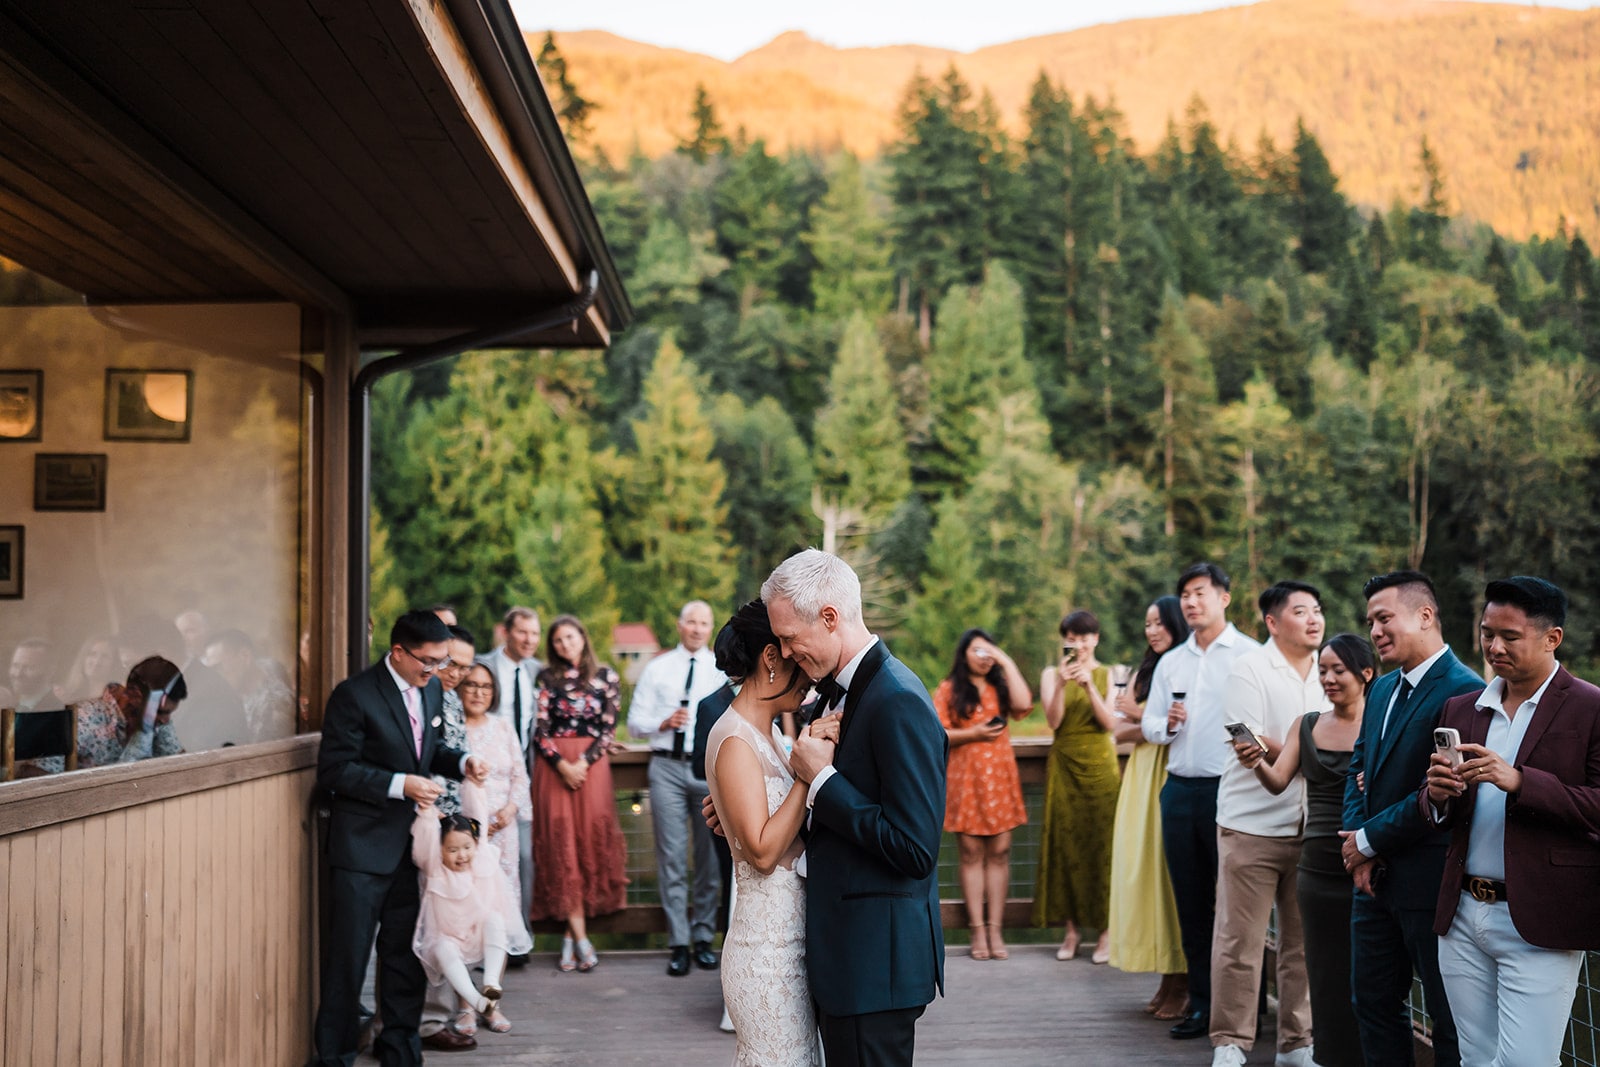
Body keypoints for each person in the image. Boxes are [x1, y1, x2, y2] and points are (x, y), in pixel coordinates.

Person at [767, 548, 946, 1067]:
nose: (783, 650)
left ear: (829, 618)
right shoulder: (830, 695)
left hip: (876, 966)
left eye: (788, 636)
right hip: (847, 959)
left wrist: (821, 779)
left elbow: (916, 849)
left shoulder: (898, 699)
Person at [1423, 577, 1600, 1067]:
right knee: (1475, 1059)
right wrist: (1437, 795)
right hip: (1461, 914)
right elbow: (1433, 808)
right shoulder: (1461, 708)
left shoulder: (1591, 707)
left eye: (1509, 636)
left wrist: (1521, 782)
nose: (1494, 647)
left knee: (1528, 1062)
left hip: (1542, 918)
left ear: (1553, 638)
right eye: (1486, 633)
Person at [313, 610, 486, 1067]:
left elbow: (428, 753)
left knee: (404, 956)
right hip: (361, 849)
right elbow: (335, 770)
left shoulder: (430, 691)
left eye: (442, 661)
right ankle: (335, 1055)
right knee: (347, 961)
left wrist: (463, 762)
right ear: (398, 652)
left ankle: (401, 1048)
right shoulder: (354, 696)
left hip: (413, 848)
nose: (437, 672)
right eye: (429, 662)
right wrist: (400, 784)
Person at [1341, 570, 1481, 1067]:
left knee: (1449, 1019)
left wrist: (1367, 840)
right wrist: (1358, 846)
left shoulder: (1466, 691)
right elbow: (1358, 766)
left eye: (1384, 619)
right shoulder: (1379, 690)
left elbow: (1443, 794)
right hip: (1372, 881)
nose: (1374, 631)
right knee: (1373, 1004)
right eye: (1370, 622)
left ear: (1424, 616)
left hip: (1431, 881)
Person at [1240, 633, 1374, 1067]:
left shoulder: (1383, 724)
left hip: (1369, 862)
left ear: (1366, 674)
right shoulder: (1307, 724)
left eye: (1339, 670)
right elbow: (1279, 782)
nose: (1329, 678)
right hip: (1315, 867)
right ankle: (1327, 1057)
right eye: (1323, 670)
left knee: (1369, 972)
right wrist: (1255, 760)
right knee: (1323, 971)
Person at [1209, 581, 1327, 1067]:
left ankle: (1297, 1044)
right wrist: (1323, 754)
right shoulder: (1248, 668)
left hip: (1312, 827)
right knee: (1240, 941)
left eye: (1318, 610)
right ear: (1273, 622)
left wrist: (1305, 750)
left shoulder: (1331, 670)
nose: (1314, 619)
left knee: (1302, 944)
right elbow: (1250, 742)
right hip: (1251, 827)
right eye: (1301, 611)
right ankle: (1231, 1043)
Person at [1141, 562, 1260, 1040]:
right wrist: (1167, 724)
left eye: (1199, 593)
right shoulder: (1172, 661)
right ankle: (1201, 1005)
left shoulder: (1250, 656)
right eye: (1185, 595)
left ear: (1224, 598)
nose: (1191, 602)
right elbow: (1150, 727)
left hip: (1230, 791)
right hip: (1179, 791)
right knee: (1190, 905)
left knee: (1234, 909)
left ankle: (1242, 1012)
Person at [704, 599, 819, 1066]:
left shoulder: (771, 734)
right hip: (764, 957)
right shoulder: (734, 738)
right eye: (796, 658)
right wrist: (808, 772)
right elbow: (763, 853)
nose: (809, 677)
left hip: (792, 947)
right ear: (771, 658)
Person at [626, 600, 728, 976]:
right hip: (666, 767)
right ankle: (679, 942)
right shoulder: (657, 668)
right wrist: (663, 722)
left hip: (706, 769)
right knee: (671, 858)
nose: (698, 629)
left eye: (705, 623)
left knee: (708, 858)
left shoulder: (720, 670)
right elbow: (635, 723)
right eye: (692, 622)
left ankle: (704, 937)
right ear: (679, 625)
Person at [530, 614, 628, 973]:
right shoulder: (545, 678)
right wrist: (562, 764)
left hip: (592, 766)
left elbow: (608, 728)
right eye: (557, 640)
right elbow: (539, 729)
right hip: (553, 766)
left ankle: (572, 938)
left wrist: (583, 763)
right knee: (561, 845)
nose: (564, 645)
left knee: (587, 843)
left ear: (582, 638)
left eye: (569, 638)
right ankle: (581, 939)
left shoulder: (606, 677)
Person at [1107, 596, 1190, 1019]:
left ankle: (1183, 979)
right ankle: (1166, 976)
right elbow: (1119, 732)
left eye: (1159, 623)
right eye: (1147, 624)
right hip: (1141, 772)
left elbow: (1174, 727)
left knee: (1167, 874)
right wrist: (1140, 722)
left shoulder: (1184, 666)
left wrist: (1141, 719)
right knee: (1144, 873)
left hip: (1169, 770)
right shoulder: (1146, 669)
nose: (1151, 631)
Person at [935, 629, 1031, 961]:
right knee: (972, 853)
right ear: (963, 655)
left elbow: (1024, 704)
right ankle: (977, 930)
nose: (983, 656)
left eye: (988, 650)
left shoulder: (999, 686)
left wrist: (1004, 660)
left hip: (1001, 779)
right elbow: (937, 732)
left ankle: (995, 929)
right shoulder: (949, 689)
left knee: (1001, 852)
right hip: (967, 779)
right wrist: (974, 733)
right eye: (976, 650)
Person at [410, 780, 532, 1038]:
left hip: (477, 929)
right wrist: (426, 812)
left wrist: (474, 785)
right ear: (440, 850)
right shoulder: (434, 866)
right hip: (447, 936)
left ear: (476, 844)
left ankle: (491, 986)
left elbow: (477, 813)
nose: (462, 855)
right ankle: (474, 1001)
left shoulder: (482, 856)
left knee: (495, 920)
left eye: (467, 848)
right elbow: (424, 839)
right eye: (452, 850)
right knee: (443, 950)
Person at [1034, 610, 1119, 965]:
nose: (1080, 645)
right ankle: (1071, 931)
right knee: (1066, 847)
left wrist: (1088, 686)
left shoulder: (1110, 674)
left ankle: (1105, 932)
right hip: (1065, 766)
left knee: (1104, 847)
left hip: (1101, 767)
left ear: (1096, 639)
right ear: (1065, 640)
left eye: (1086, 638)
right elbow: (1053, 721)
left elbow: (1110, 723)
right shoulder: (1051, 674)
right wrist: (1063, 684)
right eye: (1073, 638)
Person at [419, 627, 483, 1051]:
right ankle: (428, 1019)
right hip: (425, 822)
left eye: (465, 665)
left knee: (455, 918)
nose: (458, 673)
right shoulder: (424, 695)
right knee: (430, 923)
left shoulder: (449, 699)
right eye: (452, 663)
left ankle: (448, 1010)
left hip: (453, 824)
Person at [478, 606, 542, 944]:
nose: (530, 640)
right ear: (506, 632)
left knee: (522, 860)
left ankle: (518, 937)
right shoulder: (483, 667)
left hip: (522, 779)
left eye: (534, 633)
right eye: (523, 632)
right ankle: (481, 936)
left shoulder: (539, 672)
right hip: (483, 776)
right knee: (480, 859)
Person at [23, 655, 188, 774]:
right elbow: (33, 775)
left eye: (168, 714)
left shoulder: (157, 718)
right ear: (136, 696)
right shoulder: (83, 718)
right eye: (161, 712)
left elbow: (184, 770)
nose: (166, 720)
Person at [459, 661, 528, 921]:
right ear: (461, 688)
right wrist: (473, 825)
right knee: (470, 889)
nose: (479, 693)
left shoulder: (503, 727)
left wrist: (510, 810)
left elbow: (520, 776)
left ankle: (501, 952)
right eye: (472, 685)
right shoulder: (452, 728)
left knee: (504, 891)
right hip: (464, 829)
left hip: (503, 825)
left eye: (486, 687)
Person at [202, 628, 295, 742]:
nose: (216, 677)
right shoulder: (239, 696)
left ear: (244, 656)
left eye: (219, 667)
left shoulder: (276, 705)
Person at [60, 634, 118, 704]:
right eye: (92, 654)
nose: (97, 662)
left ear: (113, 663)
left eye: (105, 656)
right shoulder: (68, 693)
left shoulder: (117, 697)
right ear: (83, 658)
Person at [9, 637, 56, 712]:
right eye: (15, 666)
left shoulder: (55, 709)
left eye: (29, 668)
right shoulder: (12, 706)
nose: (18, 674)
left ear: (50, 671)